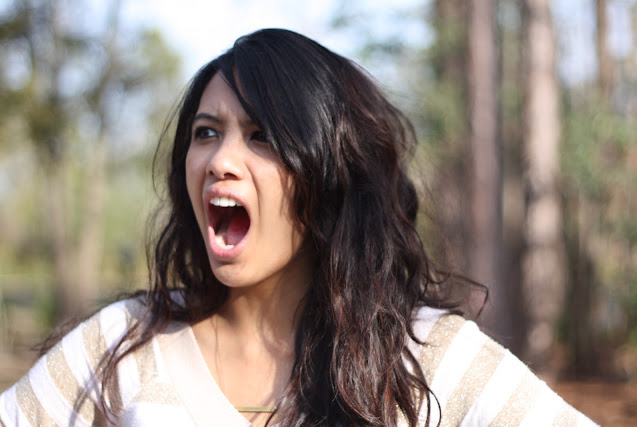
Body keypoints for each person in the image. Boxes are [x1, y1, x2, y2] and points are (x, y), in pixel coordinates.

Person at [0, 29, 596, 427]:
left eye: (261, 136)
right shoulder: (124, 345)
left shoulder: (425, 356)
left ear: (330, 172)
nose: (220, 160)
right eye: (206, 133)